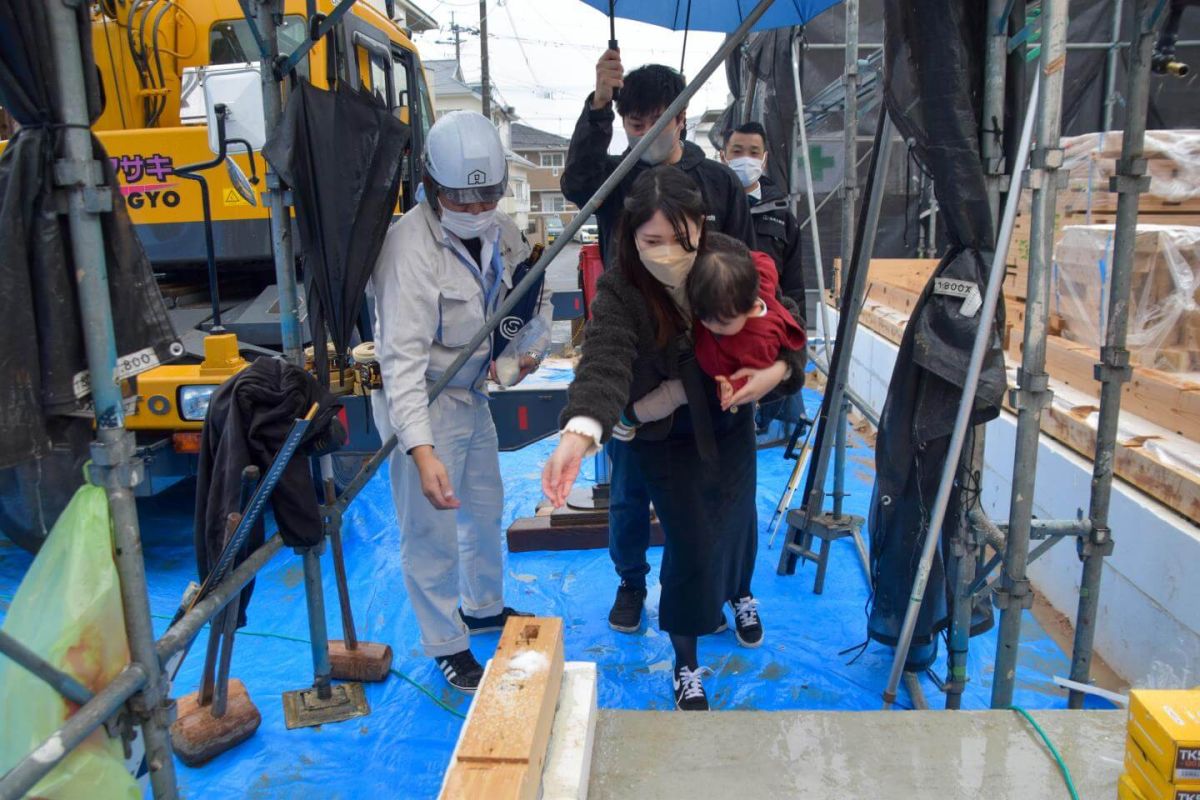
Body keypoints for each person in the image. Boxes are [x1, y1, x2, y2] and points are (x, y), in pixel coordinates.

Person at [543, 167, 807, 710]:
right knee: (689, 540)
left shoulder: (730, 255)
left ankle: (739, 592)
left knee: (735, 520)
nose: (667, 253)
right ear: (630, 236)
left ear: (702, 228)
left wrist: (775, 375)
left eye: (681, 240)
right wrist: (580, 430)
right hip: (662, 434)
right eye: (651, 241)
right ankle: (686, 662)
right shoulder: (622, 286)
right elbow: (605, 358)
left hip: (728, 418)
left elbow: (783, 324)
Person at [561, 52, 757, 635]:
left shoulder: (718, 182)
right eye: (632, 123)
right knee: (629, 489)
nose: (641, 133)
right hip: (637, 367)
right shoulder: (616, 178)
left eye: (655, 120)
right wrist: (599, 105)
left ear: (683, 117)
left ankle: (726, 588)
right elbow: (574, 182)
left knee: (724, 490)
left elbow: (752, 271)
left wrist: (756, 358)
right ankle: (631, 583)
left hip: (710, 362)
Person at [371, 111, 547, 692]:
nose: (475, 210)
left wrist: (527, 353)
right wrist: (420, 451)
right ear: (430, 186)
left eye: (487, 197)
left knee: (483, 506)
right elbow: (399, 362)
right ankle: (446, 642)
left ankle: (483, 607)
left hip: (470, 394)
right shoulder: (408, 249)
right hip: (422, 397)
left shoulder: (503, 231)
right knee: (431, 528)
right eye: (461, 199)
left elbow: (529, 297)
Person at [614, 233, 806, 433]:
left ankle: (630, 417)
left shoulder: (758, 342)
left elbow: (750, 376)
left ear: (748, 310)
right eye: (703, 317)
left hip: (711, 380)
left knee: (676, 392)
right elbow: (763, 262)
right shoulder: (755, 284)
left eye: (721, 324)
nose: (710, 326)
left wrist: (730, 387)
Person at [722, 121, 808, 434]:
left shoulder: (781, 214)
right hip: (720, 330)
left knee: (767, 419)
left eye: (753, 152)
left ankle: (768, 424)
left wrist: (795, 345)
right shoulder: (711, 207)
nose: (746, 158)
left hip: (768, 332)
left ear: (765, 158)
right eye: (737, 151)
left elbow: (795, 287)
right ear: (723, 156)